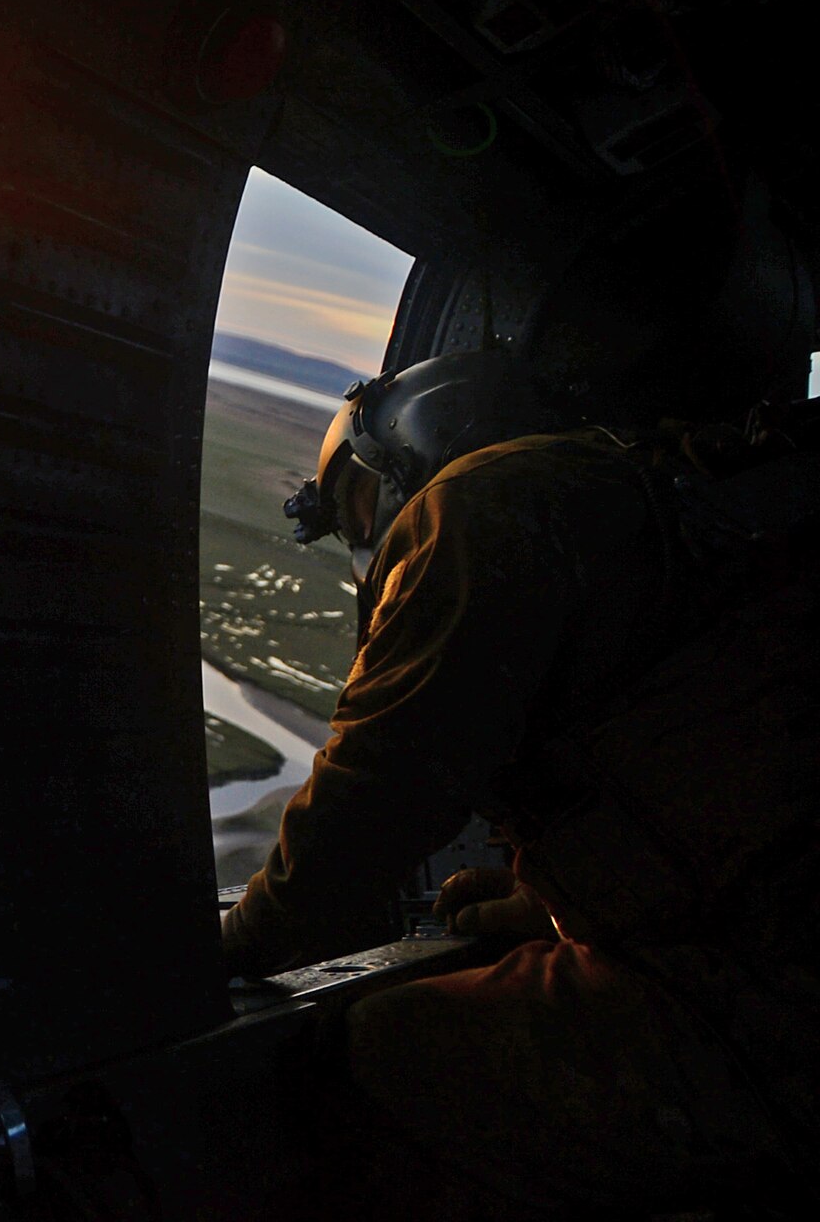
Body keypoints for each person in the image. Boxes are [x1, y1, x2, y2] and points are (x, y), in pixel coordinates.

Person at [224, 347, 820, 1216]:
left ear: (416, 448)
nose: (368, 535)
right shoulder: (637, 497)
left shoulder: (479, 504)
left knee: (374, 1053)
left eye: (359, 500)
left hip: (770, 1016)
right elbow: (707, 775)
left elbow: (378, 794)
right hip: (765, 954)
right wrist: (550, 903)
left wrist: (238, 942)